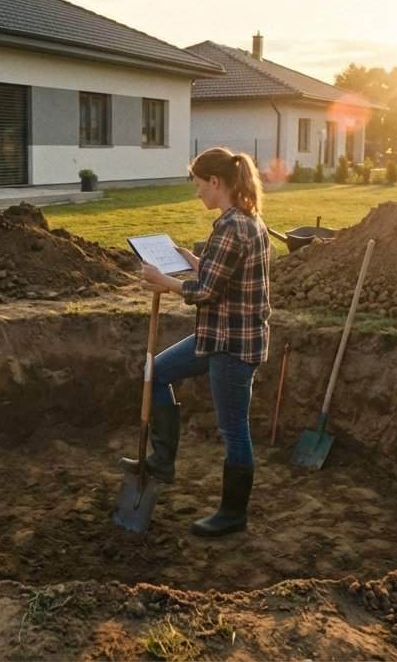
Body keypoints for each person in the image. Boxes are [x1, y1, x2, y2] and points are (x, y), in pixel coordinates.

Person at [128, 146, 271, 536]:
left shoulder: (231, 227)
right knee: (157, 372)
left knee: (234, 429)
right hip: (217, 334)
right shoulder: (246, 220)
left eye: (198, 185)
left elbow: (207, 291)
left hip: (232, 344)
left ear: (215, 181)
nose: (197, 193)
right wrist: (193, 260)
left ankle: (233, 514)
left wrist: (164, 281)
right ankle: (163, 460)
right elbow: (222, 275)